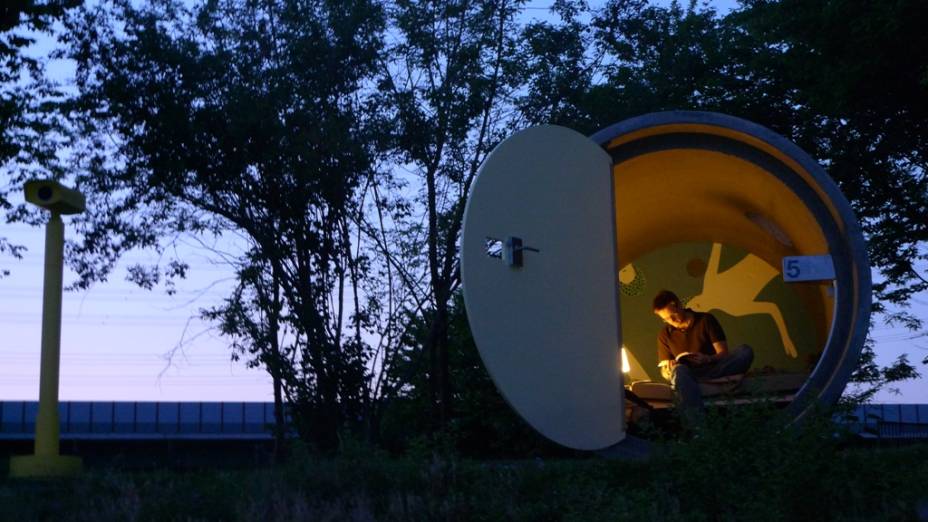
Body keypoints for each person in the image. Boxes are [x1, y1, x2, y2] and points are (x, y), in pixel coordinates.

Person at [652, 289, 754, 424]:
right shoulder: (664, 334)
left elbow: (723, 353)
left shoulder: (706, 320)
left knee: (745, 351)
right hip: (687, 374)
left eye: (673, 315)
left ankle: (694, 383)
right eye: (666, 319)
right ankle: (699, 428)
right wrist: (669, 369)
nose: (671, 321)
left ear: (678, 305)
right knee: (679, 371)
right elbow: (664, 372)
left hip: (714, 368)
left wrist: (707, 358)